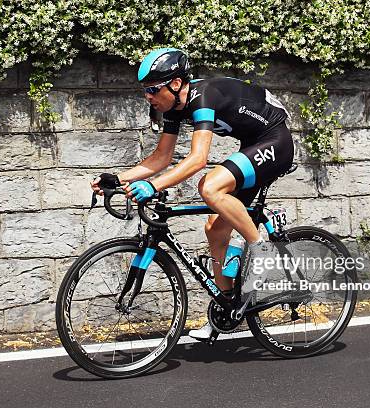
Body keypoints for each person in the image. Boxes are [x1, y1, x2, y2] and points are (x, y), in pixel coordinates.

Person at [91, 48, 294, 340]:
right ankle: (228, 308)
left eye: (152, 89)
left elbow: (198, 159)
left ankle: (263, 250)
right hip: (252, 144)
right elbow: (161, 157)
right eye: (145, 90)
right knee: (214, 229)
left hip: (275, 140)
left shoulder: (203, 96)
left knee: (209, 186)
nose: (147, 96)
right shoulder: (174, 108)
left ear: (175, 84)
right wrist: (118, 178)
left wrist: (154, 185)